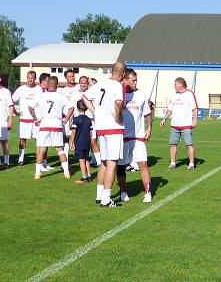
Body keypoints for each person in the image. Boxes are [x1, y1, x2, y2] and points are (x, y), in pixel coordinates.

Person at [82, 62, 127, 207]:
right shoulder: (118, 86)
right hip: (113, 128)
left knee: (104, 162)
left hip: (100, 126)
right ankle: (106, 199)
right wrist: (118, 118)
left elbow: (84, 97)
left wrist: (95, 111)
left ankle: (99, 195)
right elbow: (118, 103)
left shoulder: (100, 84)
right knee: (112, 163)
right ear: (123, 74)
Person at [117, 69, 154, 203]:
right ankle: (123, 190)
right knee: (121, 166)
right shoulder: (118, 93)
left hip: (138, 137)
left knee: (143, 163)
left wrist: (149, 127)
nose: (135, 83)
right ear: (125, 80)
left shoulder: (141, 94)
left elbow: (147, 113)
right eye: (133, 80)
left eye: (136, 80)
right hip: (121, 137)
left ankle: (148, 192)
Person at [29, 76, 73, 180]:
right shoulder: (61, 96)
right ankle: (66, 172)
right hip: (57, 124)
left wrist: (36, 119)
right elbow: (71, 108)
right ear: (57, 85)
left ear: (48, 84)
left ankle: (37, 174)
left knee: (42, 149)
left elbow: (30, 107)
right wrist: (66, 119)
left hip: (45, 124)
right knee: (60, 150)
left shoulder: (41, 96)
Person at [159, 77, 198, 170]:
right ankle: (173, 163)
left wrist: (195, 120)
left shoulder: (189, 94)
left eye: (175, 84)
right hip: (174, 125)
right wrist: (164, 119)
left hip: (186, 125)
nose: (174, 86)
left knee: (189, 144)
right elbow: (170, 109)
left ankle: (191, 164)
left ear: (180, 84)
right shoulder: (174, 96)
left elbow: (195, 108)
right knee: (173, 144)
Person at [12, 71, 43, 165]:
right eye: (29, 77)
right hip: (24, 119)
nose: (30, 79)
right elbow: (11, 101)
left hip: (36, 120)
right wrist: (16, 112)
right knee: (22, 139)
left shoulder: (39, 89)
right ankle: (21, 159)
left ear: (35, 78)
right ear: (26, 78)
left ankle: (39, 159)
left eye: (32, 78)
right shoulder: (21, 89)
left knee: (38, 140)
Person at [70, 101, 93, 184]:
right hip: (87, 142)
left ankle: (84, 177)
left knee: (81, 160)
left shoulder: (76, 119)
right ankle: (89, 175)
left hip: (79, 142)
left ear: (77, 108)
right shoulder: (88, 120)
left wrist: (71, 142)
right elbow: (90, 133)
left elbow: (73, 132)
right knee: (86, 159)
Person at [59, 70, 81, 154]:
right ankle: (66, 160)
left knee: (80, 138)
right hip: (68, 118)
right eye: (69, 76)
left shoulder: (79, 86)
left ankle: (83, 159)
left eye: (73, 76)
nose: (72, 78)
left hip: (79, 116)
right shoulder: (63, 91)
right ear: (66, 78)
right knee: (66, 138)